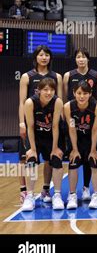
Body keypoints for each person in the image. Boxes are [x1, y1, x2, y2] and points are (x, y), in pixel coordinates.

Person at [18, 45, 62, 204]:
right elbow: (22, 102)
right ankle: (25, 192)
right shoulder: (26, 76)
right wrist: (21, 122)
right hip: (31, 123)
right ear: (36, 57)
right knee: (28, 157)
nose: (44, 57)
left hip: (50, 124)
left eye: (47, 55)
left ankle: (46, 190)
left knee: (51, 159)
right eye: (41, 55)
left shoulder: (56, 76)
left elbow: (60, 100)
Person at [63, 48, 97, 201]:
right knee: (74, 160)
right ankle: (72, 194)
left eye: (84, 57)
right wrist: (73, 149)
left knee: (92, 160)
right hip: (76, 130)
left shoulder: (96, 79)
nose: (81, 59)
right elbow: (72, 128)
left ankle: (92, 192)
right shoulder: (69, 105)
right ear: (75, 93)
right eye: (78, 57)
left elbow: (95, 130)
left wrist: (93, 150)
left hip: (91, 130)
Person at [21, 78, 64, 211]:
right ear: (38, 90)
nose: (49, 92)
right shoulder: (30, 102)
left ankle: (56, 195)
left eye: (51, 89)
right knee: (31, 161)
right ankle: (29, 196)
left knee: (56, 159)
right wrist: (32, 149)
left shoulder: (57, 101)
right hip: (35, 135)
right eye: (45, 89)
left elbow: (56, 126)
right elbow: (30, 126)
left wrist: (55, 147)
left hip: (52, 136)